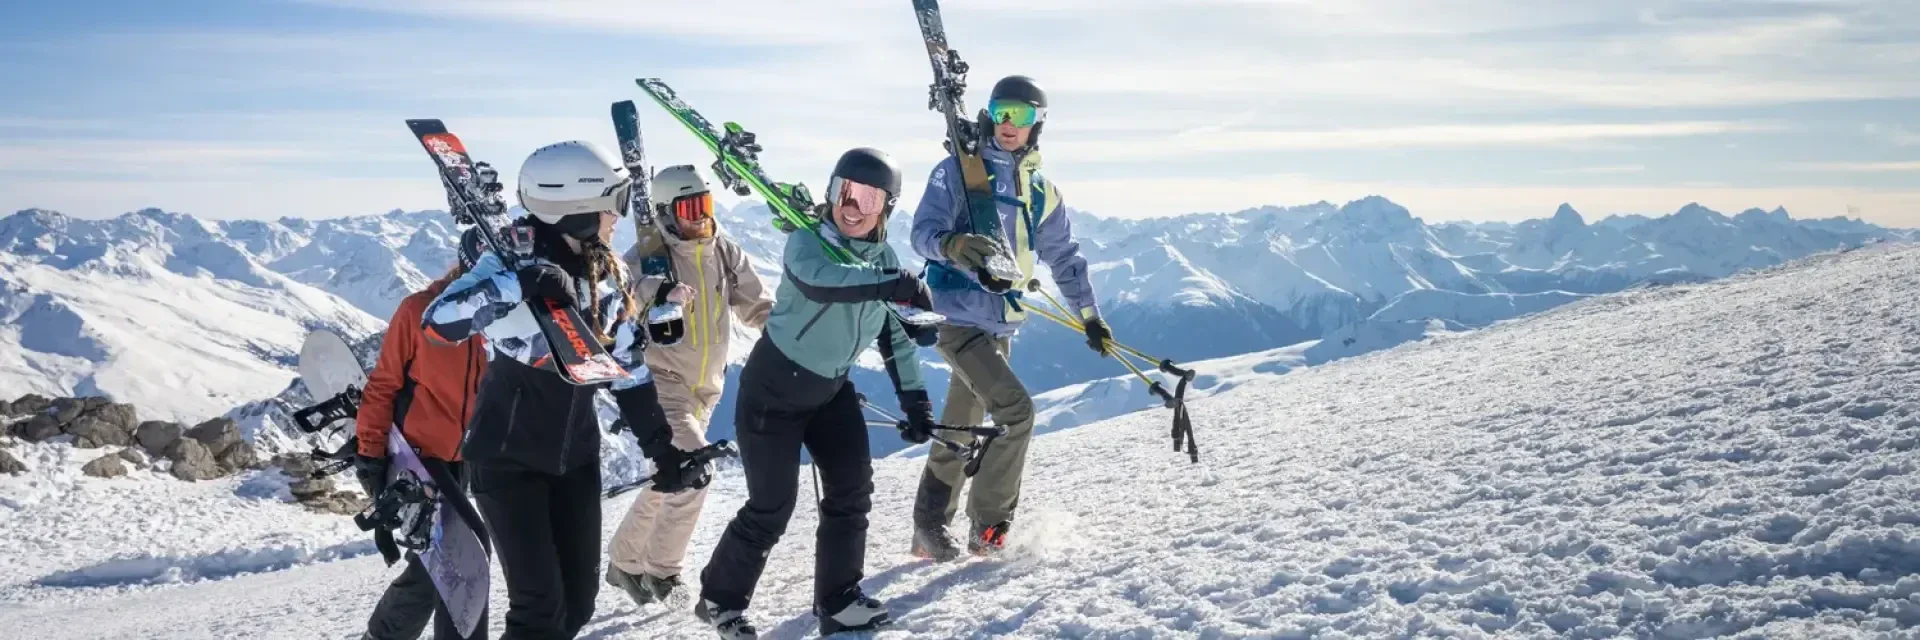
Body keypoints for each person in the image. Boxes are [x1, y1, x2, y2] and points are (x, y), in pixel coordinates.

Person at [422, 140, 707, 640]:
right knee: (539, 612)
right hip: (507, 461)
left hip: (575, 459)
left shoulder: (604, 269)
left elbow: (626, 366)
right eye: (612, 202)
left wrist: (664, 451)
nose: (618, 216)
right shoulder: (510, 258)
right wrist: (522, 282)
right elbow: (440, 322)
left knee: (576, 607)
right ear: (574, 208)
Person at [693, 148, 938, 639]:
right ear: (830, 193)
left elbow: (894, 335)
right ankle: (719, 600)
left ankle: (839, 599)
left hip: (830, 392)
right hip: (773, 391)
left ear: (886, 208)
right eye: (843, 192)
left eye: (868, 199)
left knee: (852, 492)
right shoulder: (807, 243)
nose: (852, 206)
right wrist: (892, 284)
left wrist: (916, 401)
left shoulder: (885, 260)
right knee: (771, 506)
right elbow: (827, 284)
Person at [907, 75, 1108, 561]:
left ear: (1038, 122)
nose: (1009, 124)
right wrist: (954, 246)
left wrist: (1090, 316)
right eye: (1000, 112)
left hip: (1000, 326)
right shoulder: (957, 170)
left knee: (960, 426)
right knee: (1017, 412)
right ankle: (989, 530)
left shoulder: (1042, 192)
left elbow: (1066, 258)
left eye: (1020, 114)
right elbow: (921, 233)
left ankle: (929, 529)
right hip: (955, 319)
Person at [605, 165, 773, 607]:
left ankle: (623, 562)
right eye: (688, 207)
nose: (700, 217)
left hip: (706, 389)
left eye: (705, 204)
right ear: (664, 212)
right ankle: (663, 573)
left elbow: (757, 307)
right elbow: (615, 305)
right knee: (695, 470)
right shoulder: (646, 259)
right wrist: (654, 293)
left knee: (672, 474)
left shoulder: (724, 253)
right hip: (661, 386)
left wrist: (788, 338)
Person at [354, 229, 491, 640]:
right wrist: (371, 452)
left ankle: (383, 635)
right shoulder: (419, 310)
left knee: (438, 563)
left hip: (467, 457)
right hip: (420, 457)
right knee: (466, 553)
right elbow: (383, 384)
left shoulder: (502, 320)